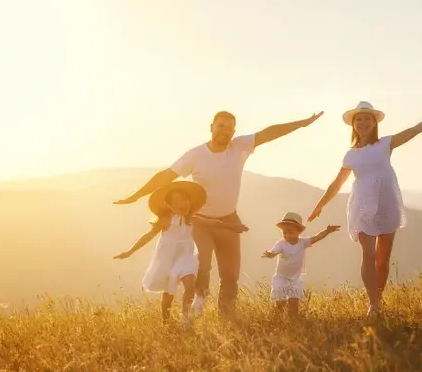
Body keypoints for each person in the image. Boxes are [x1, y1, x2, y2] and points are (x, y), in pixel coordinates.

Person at [114, 110, 324, 318]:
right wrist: (136, 195)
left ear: (234, 132)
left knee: (230, 275)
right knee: (202, 267)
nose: (225, 131)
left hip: (229, 219)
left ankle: (227, 317)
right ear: (211, 127)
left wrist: (302, 124)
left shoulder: (239, 147)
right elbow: (166, 176)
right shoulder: (195, 155)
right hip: (200, 222)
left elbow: (269, 133)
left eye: (230, 128)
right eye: (221, 126)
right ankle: (197, 310)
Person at [308, 100, 422, 317]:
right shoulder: (350, 155)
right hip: (362, 205)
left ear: (374, 123)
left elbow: (417, 129)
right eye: (359, 119)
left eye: (367, 118)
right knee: (368, 253)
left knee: (382, 259)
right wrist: (319, 206)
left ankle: (378, 301)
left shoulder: (385, 144)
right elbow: (336, 184)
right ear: (353, 125)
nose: (363, 122)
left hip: (386, 203)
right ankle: (372, 304)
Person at [114, 180, 248, 327]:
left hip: (186, 257)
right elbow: (147, 236)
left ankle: (185, 319)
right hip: (167, 259)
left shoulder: (193, 219)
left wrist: (233, 226)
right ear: (168, 205)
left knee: (190, 287)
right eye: (178, 201)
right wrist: (130, 251)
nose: (184, 203)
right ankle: (165, 321)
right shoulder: (165, 221)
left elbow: (214, 223)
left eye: (186, 199)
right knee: (168, 294)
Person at [261, 212, 340, 319]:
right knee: (280, 303)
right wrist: (269, 254)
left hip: (295, 278)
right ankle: (276, 321)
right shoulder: (281, 244)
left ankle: (293, 322)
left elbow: (316, 238)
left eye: (291, 232)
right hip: (281, 278)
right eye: (284, 232)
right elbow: (274, 251)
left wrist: (327, 231)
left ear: (299, 232)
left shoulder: (303, 243)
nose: (287, 235)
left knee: (294, 302)